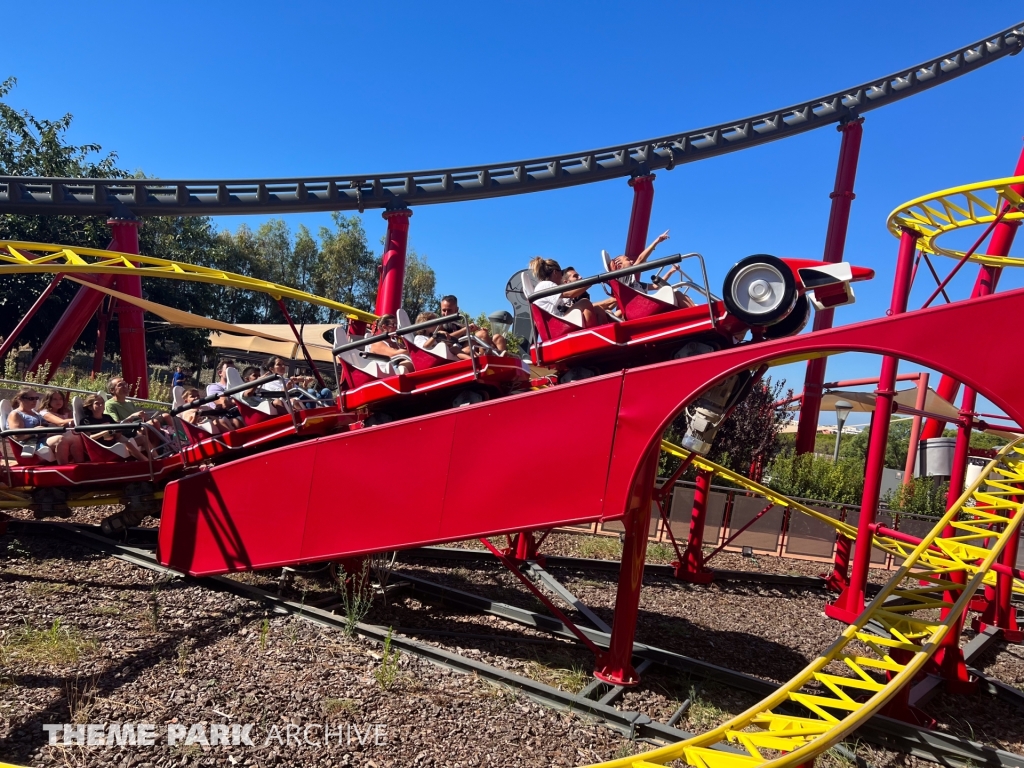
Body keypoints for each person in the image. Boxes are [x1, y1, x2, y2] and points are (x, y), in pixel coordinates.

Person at [529, 257, 611, 327]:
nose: (562, 276)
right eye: (561, 273)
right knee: (585, 303)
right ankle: (592, 335)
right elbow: (570, 294)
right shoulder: (545, 285)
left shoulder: (548, 286)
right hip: (556, 324)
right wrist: (594, 281)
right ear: (555, 272)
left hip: (559, 321)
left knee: (597, 309)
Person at [80, 394, 148, 461]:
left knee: (143, 438)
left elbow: (117, 432)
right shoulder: (86, 421)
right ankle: (147, 463)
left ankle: (155, 459)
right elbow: (90, 438)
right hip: (103, 449)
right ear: (90, 407)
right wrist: (105, 432)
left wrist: (121, 428)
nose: (101, 405)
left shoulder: (107, 417)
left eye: (102, 403)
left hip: (114, 443)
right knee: (126, 444)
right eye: (97, 403)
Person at [6, 388, 67, 463]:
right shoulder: (15, 414)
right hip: (30, 446)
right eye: (31, 398)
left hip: (42, 439)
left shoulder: (35, 413)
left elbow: (44, 426)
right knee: (60, 439)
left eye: (36, 398)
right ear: (20, 399)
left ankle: (79, 464)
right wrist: (35, 431)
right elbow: (17, 436)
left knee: (72, 436)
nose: (35, 401)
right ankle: (64, 466)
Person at [38, 390, 85, 463]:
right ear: (48, 400)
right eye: (55, 399)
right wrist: (78, 418)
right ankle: (74, 464)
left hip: (66, 436)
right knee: (74, 436)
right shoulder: (45, 413)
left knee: (79, 435)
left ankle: (81, 463)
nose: (58, 401)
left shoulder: (66, 412)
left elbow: (73, 423)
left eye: (60, 399)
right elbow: (61, 423)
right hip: (49, 438)